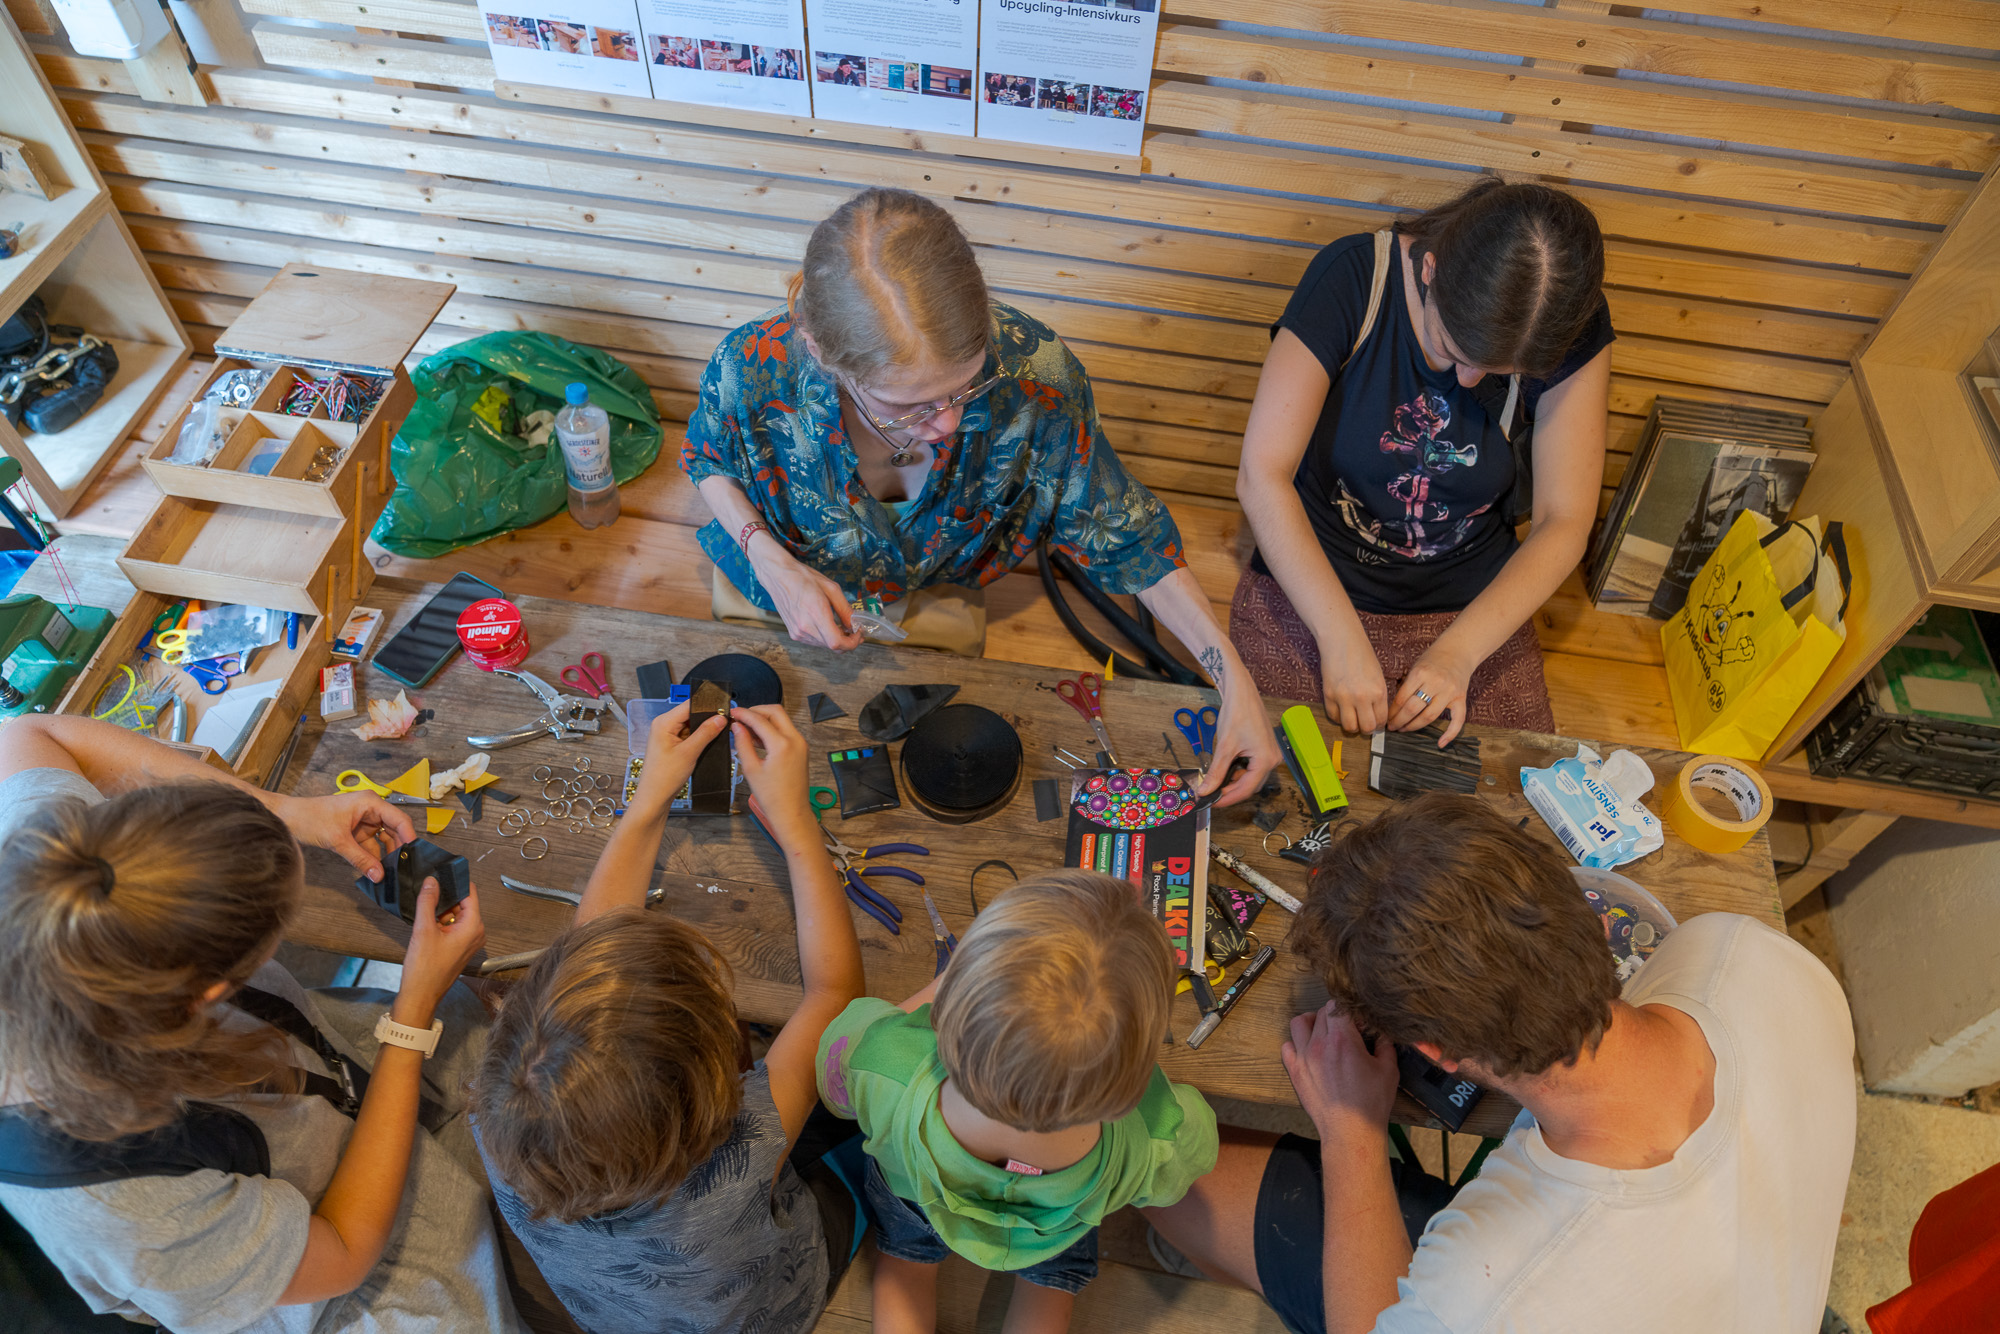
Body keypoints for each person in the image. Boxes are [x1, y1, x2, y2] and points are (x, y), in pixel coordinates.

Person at [1144, 792, 1856, 1334]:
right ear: (1584, 908)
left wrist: (1350, 1130)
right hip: (1750, 1280)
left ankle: (1204, 1257)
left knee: (1165, 1167)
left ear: (1436, 1055)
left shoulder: (1483, 1298)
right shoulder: (1743, 948)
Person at [684, 186, 1277, 806]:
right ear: (819, 352)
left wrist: (1233, 677)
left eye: (967, 387)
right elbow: (706, 459)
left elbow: (1130, 539)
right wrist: (768, 558)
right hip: (780, 585)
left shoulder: (1036, 375)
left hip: (938, 592)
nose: (947, 423)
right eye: (907, 405)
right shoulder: (750, 367)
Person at [0, 715, 517, 1332]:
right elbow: (343, 1251)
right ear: (211, 993)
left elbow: (26, 734)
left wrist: (287, 814)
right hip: (326, 1266)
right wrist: (411, 1016)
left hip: (327, 1071)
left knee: (523, 1032)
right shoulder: (121, 1202)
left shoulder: (52, 864)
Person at [471, 702, 866, 1334]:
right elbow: (836, 997)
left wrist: (649, 799)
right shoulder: (744, 1153)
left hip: (625, 1316)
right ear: (719, 1081)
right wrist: (798, 827)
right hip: (775, 1306)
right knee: (863, 1120)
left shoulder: (502, 1121)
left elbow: (592, 953)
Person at [1233, 180, 1615, 745]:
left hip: (1475, 603)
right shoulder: (1354, 276)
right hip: (1317, 580)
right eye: (1453, 350)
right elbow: (1262, 476)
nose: (1469, 381)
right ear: (1431, 269)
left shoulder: (1560, 319)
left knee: (1505, 790)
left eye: (1502, 373)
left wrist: (1458, 654)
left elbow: (1565, 521)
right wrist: (1339, 639)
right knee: (1278, 762)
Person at [819, 870, 1218, 1334]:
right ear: (1127, 1087)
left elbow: (834, 1077)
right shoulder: (1151, 1135)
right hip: (1058, 1223)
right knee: (1049, 1287)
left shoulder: (881, 1063)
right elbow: (1193, 1152)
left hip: (915, 1196)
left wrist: (940, 989)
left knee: (905, 1268)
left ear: (947, 1009)